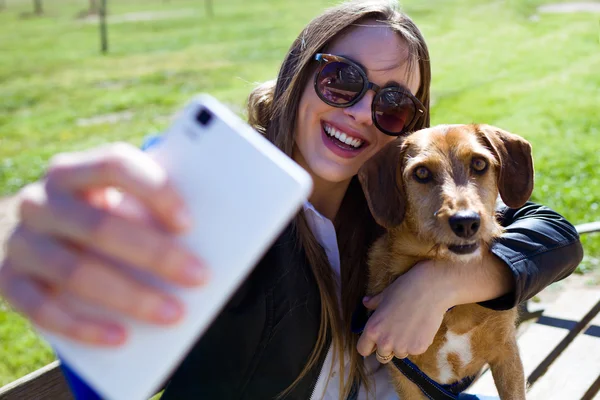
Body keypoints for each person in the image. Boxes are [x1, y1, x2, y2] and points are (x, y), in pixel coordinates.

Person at [0, 1, 583, 399]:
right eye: (341, 79)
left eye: (392, 105)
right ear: (297, 76)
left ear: (406, 133)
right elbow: (151, 233)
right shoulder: (233, 202)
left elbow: (554, 233)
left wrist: (443, 283)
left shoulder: (386, 208)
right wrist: (63, 242)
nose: (359, 112)